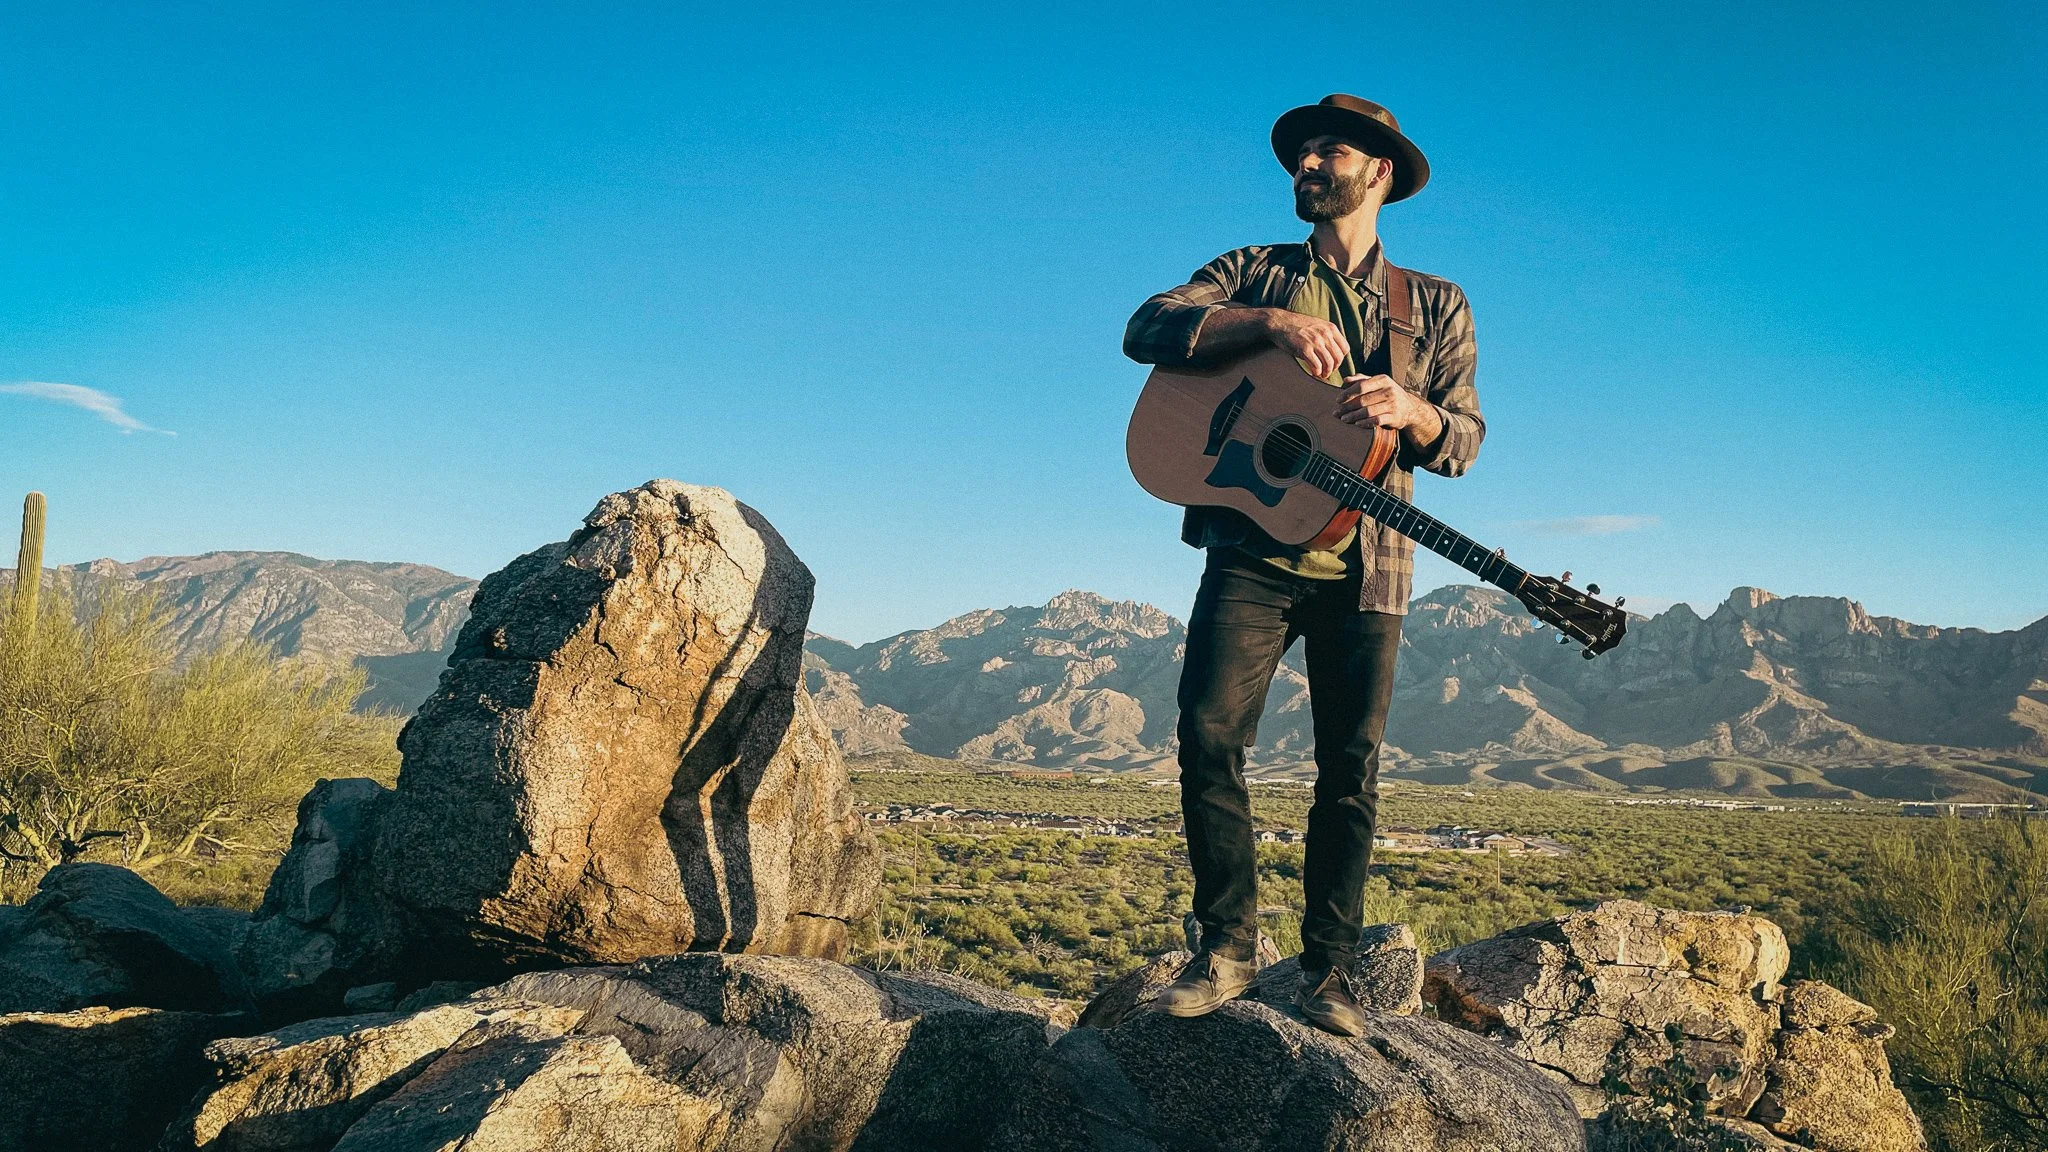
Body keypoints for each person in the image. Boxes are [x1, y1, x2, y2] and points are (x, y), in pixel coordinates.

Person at [1121, 94, 1483, 1036]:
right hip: (1250, 549)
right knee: (1207, 735)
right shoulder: (1255, 271)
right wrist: (1268, 326)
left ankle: (1326, 973)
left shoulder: (1435, 304)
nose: (1307, 165)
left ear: (1381, 174)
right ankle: (1228, 947)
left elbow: (1466, 439)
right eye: (1301, 153)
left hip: (1371, 564)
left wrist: (1415, 411)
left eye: (1330, 151)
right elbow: (1148, 327)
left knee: (1349, 770)